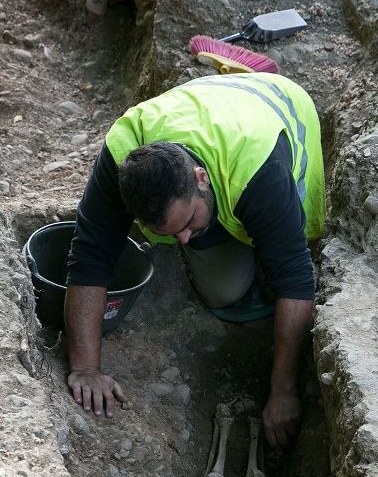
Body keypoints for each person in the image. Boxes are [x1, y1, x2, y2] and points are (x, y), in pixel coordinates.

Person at [63, 72, 324, 452]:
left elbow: (296, 279)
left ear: (200, 179)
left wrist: (283, 391)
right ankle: (233, 241)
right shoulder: (123, 157)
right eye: (170, 234)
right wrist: (85, 368)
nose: (182, 240)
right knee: (224, 292)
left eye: (186, 224)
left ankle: (264, 242)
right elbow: (90, 255)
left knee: (278, 274)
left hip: (278, 111)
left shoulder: (259, 172)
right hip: (204, 115)